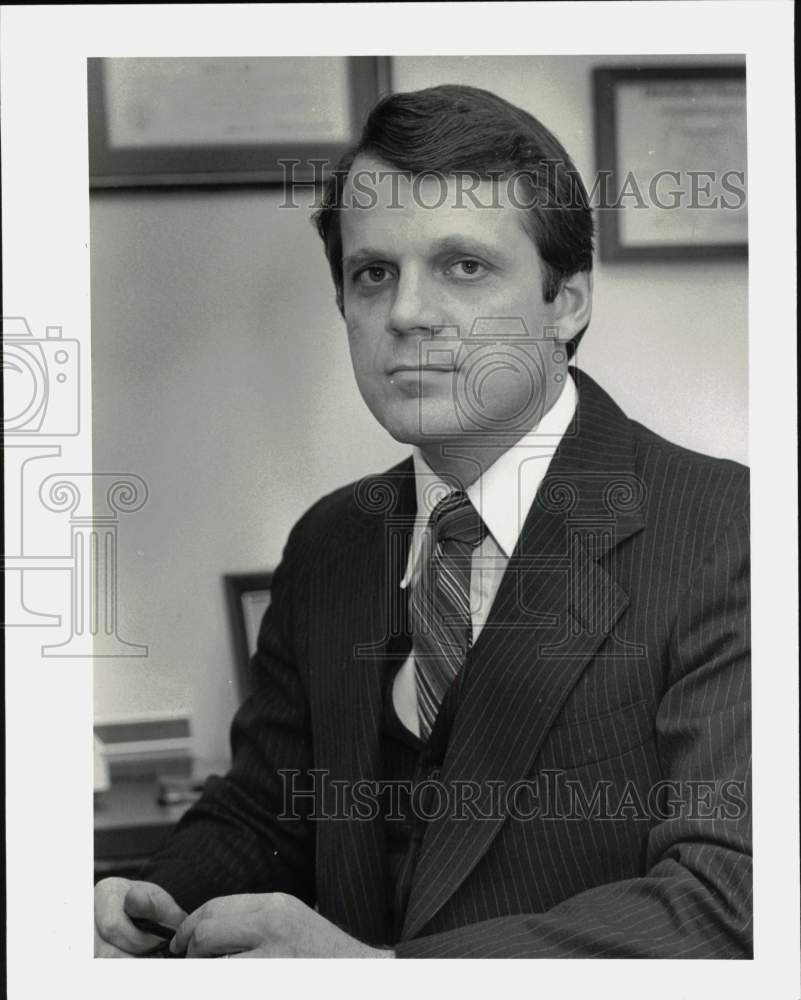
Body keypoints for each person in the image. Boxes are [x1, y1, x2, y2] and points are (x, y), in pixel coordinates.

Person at [94, 84, 751, 959]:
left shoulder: (729, 531)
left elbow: (727, 902)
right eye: (374, 274)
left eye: (464, 267)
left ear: (567, 303)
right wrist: (153, 896)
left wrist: (382, 977)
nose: (406, 314)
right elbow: (270, 806)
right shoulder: (330, 543)